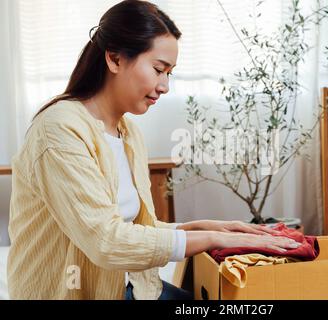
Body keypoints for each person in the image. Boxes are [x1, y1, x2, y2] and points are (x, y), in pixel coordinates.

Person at [7, 0, 301, 300]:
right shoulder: (59, 131)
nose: (164, 86)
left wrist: (204, 228)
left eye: (169, 73)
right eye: (159, 69)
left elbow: (139, 229)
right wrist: (211, 237)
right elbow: (107, 242)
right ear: (114, 59)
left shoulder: (128, 132)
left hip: (126, 286)